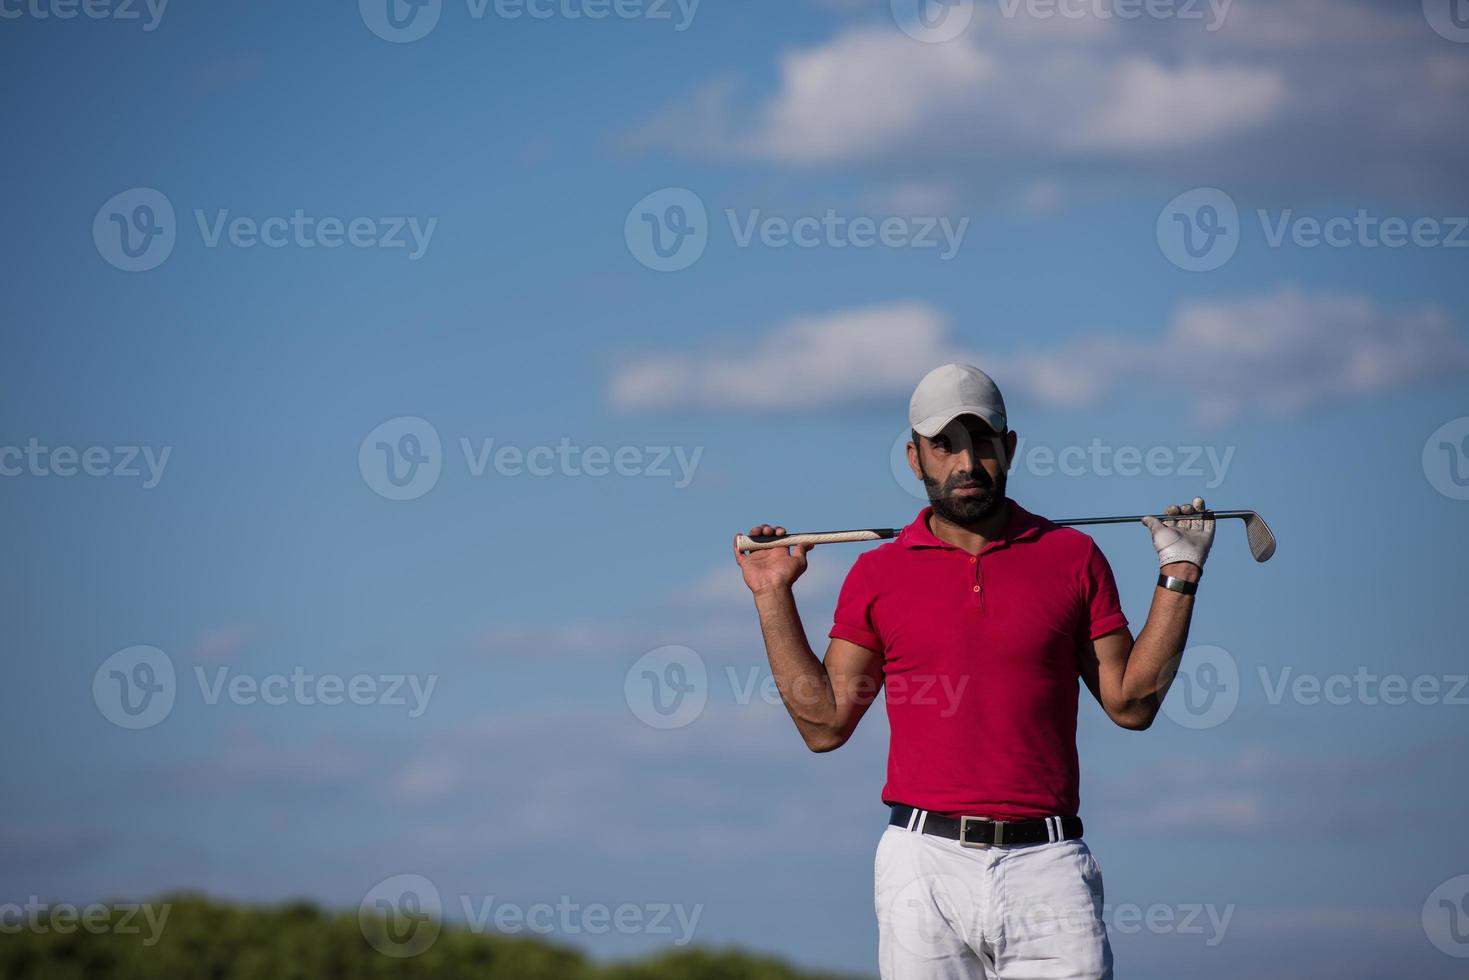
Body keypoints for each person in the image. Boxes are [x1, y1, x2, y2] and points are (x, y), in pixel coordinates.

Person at [733, 363, 1215, 979]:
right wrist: (772, 594)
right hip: (921, 864)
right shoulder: (877, 574)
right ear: (915, 459)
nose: (966, 463)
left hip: (1049, 865)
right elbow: (824, 724)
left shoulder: (1072, 556)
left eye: (981, 442)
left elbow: (1130, 704)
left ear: (1008, 448)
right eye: (945, 446)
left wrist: (1179, 573)